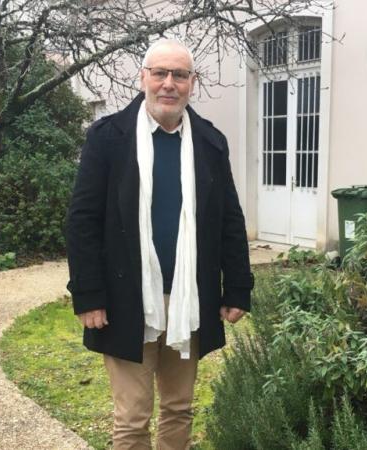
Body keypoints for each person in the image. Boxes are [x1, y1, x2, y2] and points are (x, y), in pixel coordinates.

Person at [65, 39, 254, 450]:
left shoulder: (210, 142)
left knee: (179, 408)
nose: (169, 84)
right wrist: (88, 293)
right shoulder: (108, 138)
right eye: (160, 73)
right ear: (143, 78)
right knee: (132, 418)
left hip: (188, 297)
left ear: (192, 82)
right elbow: (82, 221)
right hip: (124, 298)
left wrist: (238, 286)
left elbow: (230, 220)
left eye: (179, 75)